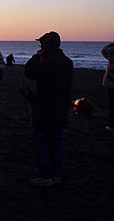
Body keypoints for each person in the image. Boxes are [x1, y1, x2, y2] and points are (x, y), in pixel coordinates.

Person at [24, 31, 73, 186]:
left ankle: (45, 175)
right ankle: (56, 174)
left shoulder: (49, 62)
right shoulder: (67, 62)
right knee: (56, 141)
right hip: (60, 108)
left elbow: (29, 71)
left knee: (41, 141)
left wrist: (37, 56)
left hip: (45, 109)